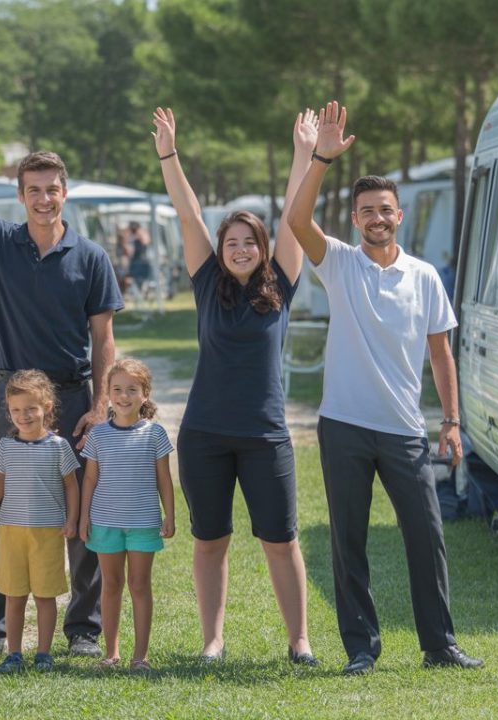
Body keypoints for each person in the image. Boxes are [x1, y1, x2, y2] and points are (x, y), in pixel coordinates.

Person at [285, 101, 484, 675]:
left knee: (427, 538)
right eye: (366, 210)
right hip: (344, 425)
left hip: (404, 430)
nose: (376, 217)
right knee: (349, 544)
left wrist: (451, 421)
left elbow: (440, 353)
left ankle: (440, 645)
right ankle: (361, 649)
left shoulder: (424, 276)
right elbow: (298, 223)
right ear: (355, 219)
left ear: (399, 217)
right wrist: (321, 157)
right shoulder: (340, 263)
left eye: (385, 210)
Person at [0, 129, 124, 661]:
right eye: (33, 190)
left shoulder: (90, 257)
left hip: (74, 395)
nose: (43, 199)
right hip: (10, 399)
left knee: (81, 510)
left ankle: (83, 628)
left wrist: (102, 405)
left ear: (66, 192)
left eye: (52, 189)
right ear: (20, 196)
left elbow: (102, 337)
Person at [152, 106, 318, 666]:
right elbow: (188, 211)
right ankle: (213, 641)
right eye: (232, 242)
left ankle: (299, 641)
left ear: (264, 247)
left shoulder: (283, 283)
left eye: (250, 241)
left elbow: (298, 213)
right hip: (204, 434)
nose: (241, 248)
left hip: (265, 436)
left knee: (281, 541)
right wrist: (169, 155)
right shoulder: (205, 284)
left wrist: (304, 155)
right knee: (210, 541)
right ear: (221, 250)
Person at [0, 370, 81, 674]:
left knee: (46, 596)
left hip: (48, 533)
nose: (23, 416)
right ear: (8, 411)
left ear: (46, 406)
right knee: (14, 595)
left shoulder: (59, 446)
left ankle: (43, 654)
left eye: (30, 408)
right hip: (11, 532)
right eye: (16, 410)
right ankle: (14, 654)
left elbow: (72, 485)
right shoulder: (6, 447)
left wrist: (72, 520)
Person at [78, 358, 174, 673]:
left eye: (132, 389)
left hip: (144, 523)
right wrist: (83, 517)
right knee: (111, 584)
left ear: (145, 394)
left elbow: (164, 479)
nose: (124, 396)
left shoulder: (155, 434)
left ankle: (140, 656)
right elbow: (89, 479)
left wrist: (169, 515)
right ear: (107, 394)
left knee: (139, 584)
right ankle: (112, 653)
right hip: (105, 522)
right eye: (117, 389)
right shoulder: (98, 435)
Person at [122, 222, 152, 297]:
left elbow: (146, 241)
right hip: (134, 261)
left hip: (142, 261)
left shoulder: (142, 235)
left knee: (142, 279)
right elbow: (127, 250)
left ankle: (141, 293)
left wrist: (138, 232)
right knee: (130, 278)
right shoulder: (131, 238)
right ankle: (134, 294)